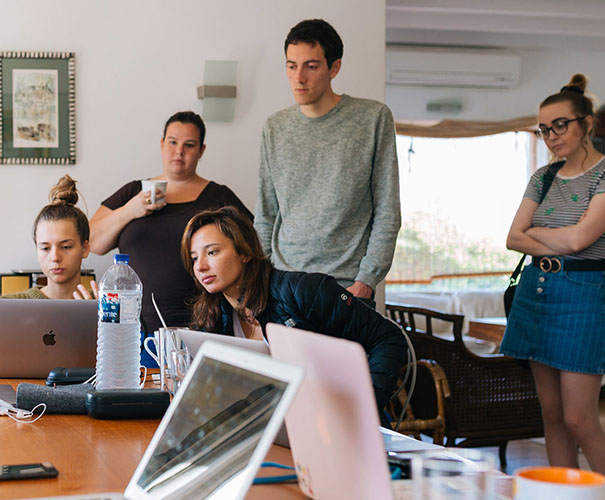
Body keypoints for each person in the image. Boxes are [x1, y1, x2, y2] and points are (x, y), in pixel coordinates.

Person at [502, 74, 605, 500]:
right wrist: (554, 235)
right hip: (537, 291)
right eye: (543, 128)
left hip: (585, 295)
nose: (550, 135)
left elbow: (580, 241)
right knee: (552, 416)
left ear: (586, 124)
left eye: (560, 125)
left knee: (580, 420)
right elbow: (512, 238)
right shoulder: (543, 176)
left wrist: (539, 231)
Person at [182, 206, 407, 413]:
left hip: (335, 418)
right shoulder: (212, 315)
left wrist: (364, 406)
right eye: (194, 258)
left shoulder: (304, 291)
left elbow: (388, 338)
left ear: (245, 252)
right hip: (276, 423)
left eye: (212, 252)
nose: (200, 266)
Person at [256, 18, 400, 306]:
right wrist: (264, 276)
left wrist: (366, 282)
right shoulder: (275, 127)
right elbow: (266, 214)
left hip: (346, 289)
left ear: (334, 67)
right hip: (284, 286)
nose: (299, 78)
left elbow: (387, 211)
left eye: (311, 66)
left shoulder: (372, 118)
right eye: (291, 65)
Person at [91, 111, 252, 336]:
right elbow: (93, 242)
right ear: (162, 144)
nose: (179, 151)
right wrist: (130, 210)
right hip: (133, 331)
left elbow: (251, 251)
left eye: (189, 145)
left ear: (201, 150)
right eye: (173, 142)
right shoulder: (133, 192)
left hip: (206, 327)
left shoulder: (219, 196)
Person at [2, 175, 93, 300]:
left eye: (66, 247)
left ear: (85, 248)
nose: (55, 258)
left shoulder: (106, 306)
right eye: (45, 248)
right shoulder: (10, 305)